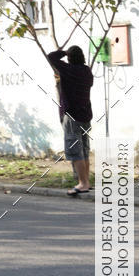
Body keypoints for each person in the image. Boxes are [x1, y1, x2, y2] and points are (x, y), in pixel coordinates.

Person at [48, 46, 94, 196]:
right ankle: (87, 182)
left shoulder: (68, 70)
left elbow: (51, 57)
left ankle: (83, 184)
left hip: (72, 117)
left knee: (75, 151)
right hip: (86, 116)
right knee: (85, 150)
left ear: (69, 58)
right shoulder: (87, 71)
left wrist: (63, 51)